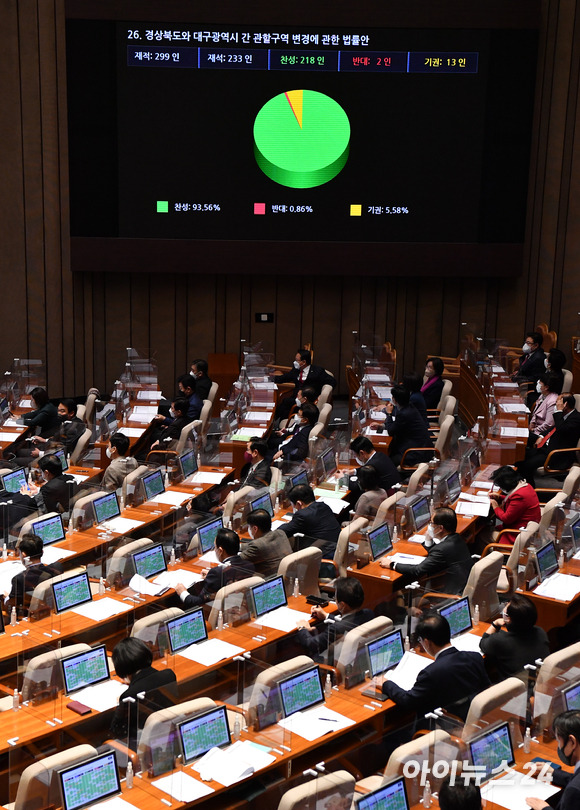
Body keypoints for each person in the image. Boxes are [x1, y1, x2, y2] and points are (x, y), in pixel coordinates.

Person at [380, 613, 490, 720]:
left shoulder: (430, 673)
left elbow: (408, 701)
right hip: (480, 717)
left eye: (420, 640)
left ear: (427, 642)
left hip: (448, 723)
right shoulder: (475, 657)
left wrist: (386, 684)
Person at [381, 507, 472, 593]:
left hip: (451, 593)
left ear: (440, 528)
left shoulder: (442, 549)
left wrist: (392, 564)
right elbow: (439, 555)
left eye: (431, 523)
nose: (430, 526)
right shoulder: (457, 539)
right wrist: (428, 540)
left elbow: (418, 570)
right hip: (463, 584)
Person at [109, 637, 176, 748]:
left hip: (146, 744)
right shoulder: (169, 675)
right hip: (170, 733)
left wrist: (120, 705)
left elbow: (117, 731)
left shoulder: (129, 695)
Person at [295, 577, 373, 660]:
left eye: (335, 598)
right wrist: (326, 615)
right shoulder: (368, 613)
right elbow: (348, 622)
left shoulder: (335, 629)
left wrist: (302, 628)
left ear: (342, 605)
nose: (335, 600)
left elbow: (312, 644)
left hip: (330, 663)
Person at [175, 528, 254, 609]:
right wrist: (211, 576)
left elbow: (197, 603)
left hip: (218, 610)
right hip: (239, 606)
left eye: (215, 547)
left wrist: (182, 592)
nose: (214, 550)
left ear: (220, 551)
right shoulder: (249, 565)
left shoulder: (217, 573)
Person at [480, 593, 550, 682]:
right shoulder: (540, 632)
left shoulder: (500, 640)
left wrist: (495, 624)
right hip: (539, 684)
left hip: (515, 691)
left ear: (508, 618)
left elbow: (483, 643)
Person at [516, 395, 580, 487]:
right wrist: (541, 436)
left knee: (526, 466)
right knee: (519, 456)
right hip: (546, 447)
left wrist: (558, 411)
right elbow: (553, 428)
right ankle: (517, 487)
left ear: (565, 405)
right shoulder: (565, 415)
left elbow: (561, 428)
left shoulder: (576, 419)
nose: (555, 405)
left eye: (557, 403)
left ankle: (529, 491)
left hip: (556, 455)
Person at [525, 710, 580, 809]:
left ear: (572, 742)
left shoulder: (574, 791)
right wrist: (553, 773)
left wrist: (544, 808)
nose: (559, 746)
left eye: (559, 741)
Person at [4, 533, 61, 617]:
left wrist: (6, 598)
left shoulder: (20, 579)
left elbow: (13, 607)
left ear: (23, 555)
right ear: (42, 552)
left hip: (31, 615)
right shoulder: (56, 568)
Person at [280, 483, 340, 558]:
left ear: (299, 503)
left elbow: (282, 532)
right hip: (336, 548)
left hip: (324, 555)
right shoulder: (323, 506)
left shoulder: (302, 515)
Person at [274, 350, 336, 419]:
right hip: (296, 397)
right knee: (285, 404)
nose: (295, 362)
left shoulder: (317, 371)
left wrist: (322, 395)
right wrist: (266, 379)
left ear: (303, 362)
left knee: (285, 402)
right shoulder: (296, 369)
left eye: (297, 360)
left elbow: (332, 381)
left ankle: (275, 421)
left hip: (307, 402)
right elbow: (284, 378)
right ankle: (277, 422)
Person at [383, 385, 434, 468]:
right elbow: (398, 426)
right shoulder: (409, 406)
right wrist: (382, 426)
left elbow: (391, 431)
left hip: (416, 452)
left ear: (394, 400)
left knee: (386, 461)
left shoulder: (404, 414)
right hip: (420, 446)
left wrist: (388, 414)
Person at [240, 508, 293, 577]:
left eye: (249, 527)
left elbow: (235, 560)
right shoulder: (280, 533)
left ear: (255, 529)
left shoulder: (258, 545)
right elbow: (261, 545)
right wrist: (239, 546)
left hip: (269, 579)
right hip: (288, 575)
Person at [490, 465, 541, 537]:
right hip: (527, 526)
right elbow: (516, 503)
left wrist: (495, 506)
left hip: (518, 534)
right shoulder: (526, 486)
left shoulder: (519, 496)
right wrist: (500, 497)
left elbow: (506, 518)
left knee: (481, 535)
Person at [528, 372, 561, 446]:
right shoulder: (543, 395)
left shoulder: (553, 401)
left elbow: (549, 424)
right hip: (534, 428)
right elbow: (535, 413)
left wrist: (534, 430)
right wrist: (531, 425)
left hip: (540, 434)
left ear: (546, 387)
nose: (538, 384)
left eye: (540, 383)